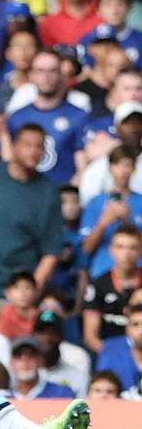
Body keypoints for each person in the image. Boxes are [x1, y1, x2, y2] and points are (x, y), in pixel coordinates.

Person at [0, 123, 63, 298]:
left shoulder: (48, 192)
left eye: (39, 146)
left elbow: (51, 251)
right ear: (15, 146)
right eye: (28, 145)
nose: (34, 151)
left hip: (18, 290)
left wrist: (30, 292)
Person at [7, 51, 89, 184]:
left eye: (52, 71)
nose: (46, 77)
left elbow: (83, 167)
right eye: (40, 71)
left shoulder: (79, 116)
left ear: (61, 75)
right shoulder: (16, 118)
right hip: (24, 191)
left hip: (62, 192)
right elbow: (9, 160)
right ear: (31, 75)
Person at [80, 145, 142, 279]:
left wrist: (127, 221)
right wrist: (104, 221)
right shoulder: (95, 202)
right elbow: (86, 249)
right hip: (102, 273)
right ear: (110, 168)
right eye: (118, 165)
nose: (123, 170)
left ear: (134, 169)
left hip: (137, 276)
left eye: (128, 165)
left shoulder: (140, 201)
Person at [82, 224, 142, 354]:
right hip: (110, 353)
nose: (126, 254)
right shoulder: (98, 285)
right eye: (120, 247)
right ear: (111, 250)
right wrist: (115, 357)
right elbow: (90, 336)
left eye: (133, 247)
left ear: (140, 250)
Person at [78, 0, 142, 69]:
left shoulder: (139, 39)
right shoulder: (87, 40)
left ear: (129, 8)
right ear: (98, 9)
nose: (114, 10)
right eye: (107, 4)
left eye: (120, 4)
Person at [96, 304, 142, 399]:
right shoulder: (110, 352)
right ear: (127, 329)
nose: (141, 331)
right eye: (135, 324)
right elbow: (101, 389)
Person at [9, 336, 76, 400]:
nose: (25, 360)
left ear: (41, 361)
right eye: (18, 355)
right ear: (11, 363)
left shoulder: (62, 394)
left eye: (31, 355)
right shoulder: (4, 397)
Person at [0, 271, 37, 342]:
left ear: (36, 292)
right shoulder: (5, 313)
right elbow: (1, 339)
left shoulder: (41, 314)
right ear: (7, 293)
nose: (22, 293)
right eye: (17, 288)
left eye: (27, 288)